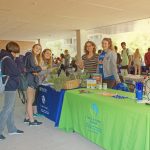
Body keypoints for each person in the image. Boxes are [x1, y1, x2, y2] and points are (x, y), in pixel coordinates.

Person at [0, 42, 24, 140]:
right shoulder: (8, 59)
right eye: (16, 51)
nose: (17, 54)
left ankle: (12, 129)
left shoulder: (6, 57)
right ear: (13, 50)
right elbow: (18, 72)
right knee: (7, 108)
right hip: (10, 86)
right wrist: (18, 60)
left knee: (10, 108)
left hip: (10, 85)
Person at [24, 44, 47, 126]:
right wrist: (41, 68)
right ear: (33, 48)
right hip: (30, 80)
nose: (38, 50)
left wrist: (37, 71)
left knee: (31, 99)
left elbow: (32, 70)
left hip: (32, 80)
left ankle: (27, 117)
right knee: (30, 100)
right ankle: (31, 121)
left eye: (40, 49)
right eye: (36, 48)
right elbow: (29, 69)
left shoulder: (35, 57)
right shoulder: (30, 56)